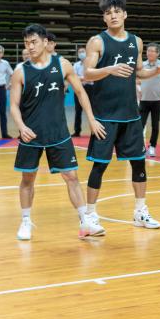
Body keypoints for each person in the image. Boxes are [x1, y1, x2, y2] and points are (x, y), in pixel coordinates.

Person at [10, 24, 106, 241]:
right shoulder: (20, 72)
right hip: (31, 134)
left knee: (71, 176)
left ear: (46, 42)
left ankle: (85, 222)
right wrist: (21, 127)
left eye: (34, 42)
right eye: (26, 43)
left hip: (58, 133)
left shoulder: (62, 65)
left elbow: (81, 92)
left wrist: (91, 119)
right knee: (28, 178)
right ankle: (25, 221)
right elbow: (14, 105)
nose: (30, 46)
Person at [83, 0, 160, 232]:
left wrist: (156, 71)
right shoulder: (97, 41)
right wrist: (108, 69)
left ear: (125, 14)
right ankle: (90, 216)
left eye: (117, 11)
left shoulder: (136, 42)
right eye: (108, 13)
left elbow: (138, 72)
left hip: (131, 115)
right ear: (104, 17)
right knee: (99, 166)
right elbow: (88, 73)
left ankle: (140, 211)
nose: (113, 16)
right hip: (105, 116)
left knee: (139, 164)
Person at [72, 45, 93, 137]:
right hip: (79, 88)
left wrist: (83, 78)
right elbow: (74, 77)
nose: (81, 53)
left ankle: (94, 130)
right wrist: (85, 78)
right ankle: (77, 131)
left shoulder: (92, 64)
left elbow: (93, 77)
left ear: (86, 53)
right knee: (78, 110)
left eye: (83, 51)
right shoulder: (76, 65)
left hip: (91, 89)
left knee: (94, 110)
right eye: (79, 52)